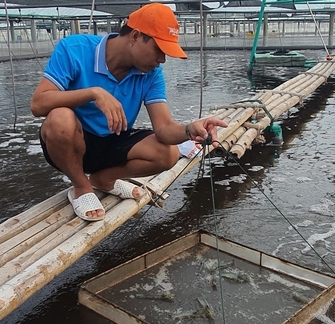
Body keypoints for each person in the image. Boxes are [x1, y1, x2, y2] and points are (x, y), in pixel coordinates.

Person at [31, 3, 227, 222]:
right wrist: (93, 93)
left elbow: (163, 129)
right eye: (159, 50)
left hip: (113, 139)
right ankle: (81, 186)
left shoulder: (151, 74)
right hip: (74, 143)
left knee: (168, 153)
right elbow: (38, 104)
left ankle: (104, 179)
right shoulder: (74, 49)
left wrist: (190, 129)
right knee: (60, 118)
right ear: (135, 36)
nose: (162, 60)